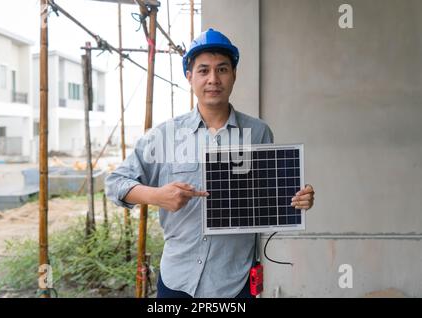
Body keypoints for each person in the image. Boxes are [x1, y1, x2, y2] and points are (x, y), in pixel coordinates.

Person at [105, 28, 315, 298]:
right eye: (203, 70)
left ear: (234, 75)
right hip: (177, 281)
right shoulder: (165, 135)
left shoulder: (258, 133)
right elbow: (115, 184)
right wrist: (156, 195)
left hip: (234, 281)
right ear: (189, 77)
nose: (213, 79)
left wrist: (297, 198)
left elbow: (269, 197)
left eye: (222, 70)